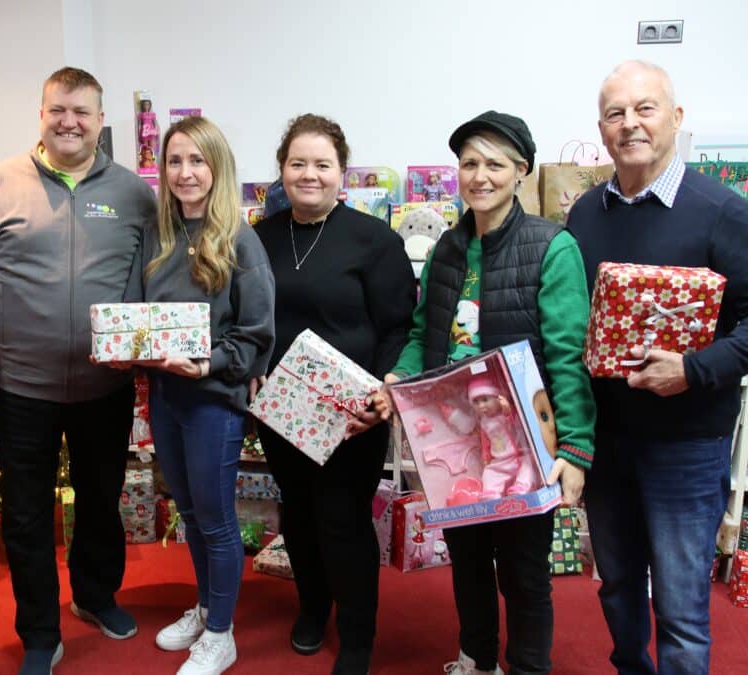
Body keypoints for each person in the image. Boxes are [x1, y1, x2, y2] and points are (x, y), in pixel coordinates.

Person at [0, 67, 156, 675]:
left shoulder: (135, 194)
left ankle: (94, 597)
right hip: (20, 387)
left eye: (82, 112)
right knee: (28, 512)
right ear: (41, 113)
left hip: (104, 385)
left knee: (100, 499)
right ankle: (39, 631)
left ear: (100, 121)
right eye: (58, 109)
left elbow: (157, 280)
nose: (69, 122)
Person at [375, 110, 595, 675]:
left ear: (521, 170)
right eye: (469, 163)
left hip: (523, 440)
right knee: (468, 564)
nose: (480, 175)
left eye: (494, 163)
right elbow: (424, 332)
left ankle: (526, 667)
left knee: (523, 574)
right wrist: (400, 375)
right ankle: (476, 659)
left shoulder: (553, 246)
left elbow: (569, 357)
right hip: (454, 441)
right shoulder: (447, 249)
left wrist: (573, 450)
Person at [568, 60, 748, 674]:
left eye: (645, 109)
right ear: (601, 128)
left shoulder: (722, 211)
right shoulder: (585, 215)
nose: (631, 124)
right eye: (616, 113)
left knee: (680, 606)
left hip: (687, 442)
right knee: (616, 587)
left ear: (675, 118)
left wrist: (693, 370)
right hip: (607, 440)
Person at [254, 114, 415, 675]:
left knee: (342, 519)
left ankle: (357, 635)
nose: (309, 174)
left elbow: (400, 326)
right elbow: (249, 318)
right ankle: (311, 607)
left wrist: (382, 391)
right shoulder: (260, 237)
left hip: (353, 415)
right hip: (281, 411)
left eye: (322, 164)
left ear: (342, 173)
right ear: (282, 170)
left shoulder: (374, 240)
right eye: (298, 163)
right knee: (296, 515)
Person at [127, 116, 275, 675]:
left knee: (215, 519)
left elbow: (257, 334)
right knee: (188, 513)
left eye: (197, 161)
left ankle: (221, 634)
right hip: (164, 397)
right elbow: (135, 315)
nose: (185, 173)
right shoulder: (157, 235)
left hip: (213, 400)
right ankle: (207, 605)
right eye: (174, 161)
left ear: (218, 167)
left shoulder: (239, 238)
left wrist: (207, 362)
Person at [467, 376, 539, 500]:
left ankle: (522, 486)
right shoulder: (484, 422)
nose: (481, 405)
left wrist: (507, 410)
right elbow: (486, 442)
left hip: (518, 456)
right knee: (489, 472)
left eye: (485, 399)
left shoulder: (505, 415)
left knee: (529, 463)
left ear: (498, 398)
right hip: (499, 461)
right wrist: (486, 456)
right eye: (476, 402)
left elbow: (515, 423)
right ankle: (491, 492)